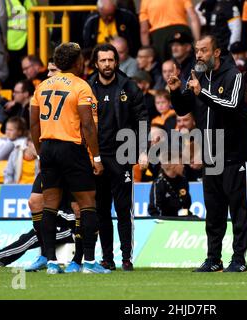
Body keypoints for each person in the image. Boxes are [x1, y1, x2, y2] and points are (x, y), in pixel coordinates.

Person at [168, 34, 247, 272]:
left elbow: (232, 106)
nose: (198, 55)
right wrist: (175, 91)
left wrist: (201, 93)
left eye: (203, 50)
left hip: (235, 153)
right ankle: (213, 258)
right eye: (196, 50)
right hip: (210, 154)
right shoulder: (197, 76)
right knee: (213, 211)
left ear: (216, 52)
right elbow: (184, 108)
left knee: (238, 209)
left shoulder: (234, 75)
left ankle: (239, 259)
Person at [30, 42, 107, 275]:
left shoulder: (42, 86)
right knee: (87, 203)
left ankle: (52, 262)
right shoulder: (81, 87)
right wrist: (96, 157)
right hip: (71, 149)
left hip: (48, 148)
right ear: (77, 62)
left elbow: (33, 123)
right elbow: (88, 126)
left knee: (49, 206)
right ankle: (91, 263)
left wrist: (39, 150)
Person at [88, 43, 149, 271]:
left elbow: (142, 119)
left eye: (110, 60)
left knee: (124, 209)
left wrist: (142, 150)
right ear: (96, 63)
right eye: (102, 60)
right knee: (101, 210)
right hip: (97, 157)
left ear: (117, 62)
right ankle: (107, 258)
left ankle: (126, 258)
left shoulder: (129, 86)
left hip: (122, 155)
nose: (107, 64)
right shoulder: (87, 88)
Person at [148, 150, 192, 217]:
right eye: (181, 163)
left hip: (181, 219)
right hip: (163, 220)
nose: (183, 166)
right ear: (172, 166)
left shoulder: (184, 181)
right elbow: (154, 209)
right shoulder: (158, 183)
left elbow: (186, 204)